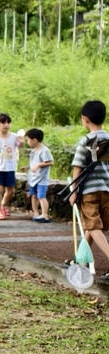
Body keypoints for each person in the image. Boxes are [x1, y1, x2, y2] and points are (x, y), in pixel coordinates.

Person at [70, 99, 109, 277]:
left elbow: (77, 167)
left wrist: (74, 191)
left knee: (93, 226)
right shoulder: (108, 138)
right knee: (93, 225)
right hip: (106, 189)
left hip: (89, 191)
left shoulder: (86, 141)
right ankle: (80, 260)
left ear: (85, 119)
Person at [0, 113, 24, 219]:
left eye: (8, 123)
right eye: (3, 123)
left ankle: (3, 205)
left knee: (11, 191)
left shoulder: (14, 136)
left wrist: (21, 142)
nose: (6, 125)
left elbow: (20, 146)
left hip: (10, 167)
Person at [24, 128, 54, 221]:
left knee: (41, 196)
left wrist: (38, 165)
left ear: (35, 140)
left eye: (28, 140)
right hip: (33, 178)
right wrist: (28, 167)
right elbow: (34, 163)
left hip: (42, 179)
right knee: (34, 196)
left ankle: (45, 215)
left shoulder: (44, 151)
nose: (27, 142)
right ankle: (36, 213)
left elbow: (51, 162)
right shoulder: (34, 151)